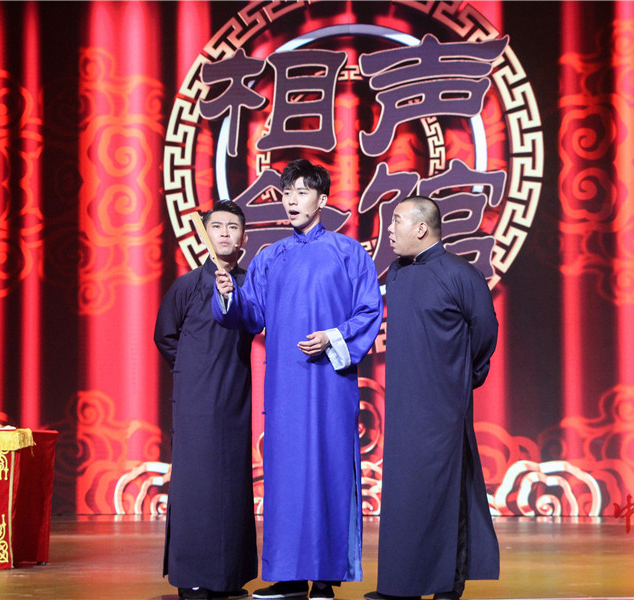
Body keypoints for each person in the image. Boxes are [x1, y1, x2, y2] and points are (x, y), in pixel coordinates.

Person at [212, 159, 383, 600]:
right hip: (285, 386)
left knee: (328, 472)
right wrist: (230, 296)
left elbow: (369, 312)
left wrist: (332, 336)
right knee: (285, 477)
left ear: (321, 200)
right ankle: (287, 576)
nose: (291, 200)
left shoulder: (349, 253)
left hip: (329, 385)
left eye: (302, 192)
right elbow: (251, 315)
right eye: (286, 192)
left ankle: (324, 579)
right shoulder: (270, 257)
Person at [367, 196, 500, 600]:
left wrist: (464, 375)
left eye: (396, 221)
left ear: (422, 228)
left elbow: (485, 330)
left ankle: (447, 584)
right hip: (403, 402)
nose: (389, 230)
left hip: (443, 405)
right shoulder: (398, 273)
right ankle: (402, 584)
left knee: (444, 490)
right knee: (405, 493)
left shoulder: (459, 274)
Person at [154, 200, 257, 600]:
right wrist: (192, 370)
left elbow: (257, 323)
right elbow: (165, 335)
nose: (225, 233)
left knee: (232, 483)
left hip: (235, 395)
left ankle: (228, 577)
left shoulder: (250, 284)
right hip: (197, 397)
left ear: (243, 237)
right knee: (196, 483)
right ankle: (193, 577)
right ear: (206, 234)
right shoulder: (188, 285)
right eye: (217, 226)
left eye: (233, 227)